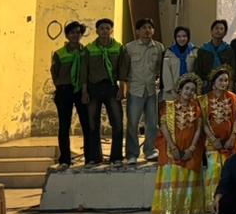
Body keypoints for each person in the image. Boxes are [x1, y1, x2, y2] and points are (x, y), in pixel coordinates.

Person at [152, 73, 206, 214]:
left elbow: (198, 129)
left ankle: (183, 211)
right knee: (172, 178)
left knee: (186, 179)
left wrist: (191, 148)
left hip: (190, 149)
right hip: (171, 148)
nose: (189, 92)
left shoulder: (196, 107)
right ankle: (169, 211)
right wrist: (173, 147)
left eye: (192, 90)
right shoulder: (168, 106)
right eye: (187, 88)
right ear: (180, 90)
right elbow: (164, 127)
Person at [82, 17, 128, 166]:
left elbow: (122, 69)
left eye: (107, 28)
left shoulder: (118, 48)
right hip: (93, 88)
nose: (104, 31)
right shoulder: (89, 49)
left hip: (111, 87)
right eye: (101, 28)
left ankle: (116, 157)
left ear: (111, 30)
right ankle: (95, 157)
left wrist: (122, 88)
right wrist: (84, 91)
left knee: (117, 122)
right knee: (92, 123)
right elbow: (84, 71)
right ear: (97, 31)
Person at [50, 21, 92, 169]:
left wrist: (85, 90)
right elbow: (54, 73)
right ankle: (65, 159)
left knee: (87, 124)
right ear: (67, 35)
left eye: (78, 32)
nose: (75, 35)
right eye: (72, 32)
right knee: (64, 126)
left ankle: (90, 157)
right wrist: (61, 86)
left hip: (82, 90)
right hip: (65, 90)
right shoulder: (60, 53)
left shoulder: (86, 52)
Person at [125, 18, 164, 164]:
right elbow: (124, 69)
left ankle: (150, 150)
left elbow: (159, 68)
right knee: (133, 123)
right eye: (143, 28)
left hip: (151, 90)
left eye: (149, 28)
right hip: (135, 90)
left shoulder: (159, 47)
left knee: (152, 123)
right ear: (137, 31)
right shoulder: (130, 48)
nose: (147, 30)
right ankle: (132, 154)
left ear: (153, 30)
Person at [202, 68, 236, 212]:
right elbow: (203, 123)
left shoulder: (233, 97)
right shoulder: (204, 99)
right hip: (212, 142)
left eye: (226, 80)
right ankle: (212, 206)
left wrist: (233, 137)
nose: (224, 83)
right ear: (213, 83)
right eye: (221, 80)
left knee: (231, 172)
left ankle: (231, 206)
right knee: (214, 170)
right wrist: (213, 139)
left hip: (231, 142)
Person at [195, 20, 235, 90]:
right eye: (216, 28)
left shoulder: (228, 50)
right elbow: (198, 70)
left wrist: (230, 86)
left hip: (223, 84)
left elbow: (232, 69)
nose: (218, 31)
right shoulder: (203, 49)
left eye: (221, 29)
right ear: (211, 31)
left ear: (225, 33)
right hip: (206, 85)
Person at [162, 26, 198, 102]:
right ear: (175, 38)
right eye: (178, 36)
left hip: (189, 91)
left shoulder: (194, 51)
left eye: (184, 36)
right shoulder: (169, 52)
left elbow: (196, 72)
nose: (181, 39)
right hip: (172, 91)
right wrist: (172, 91)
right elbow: (166, 72)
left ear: (188, 37)